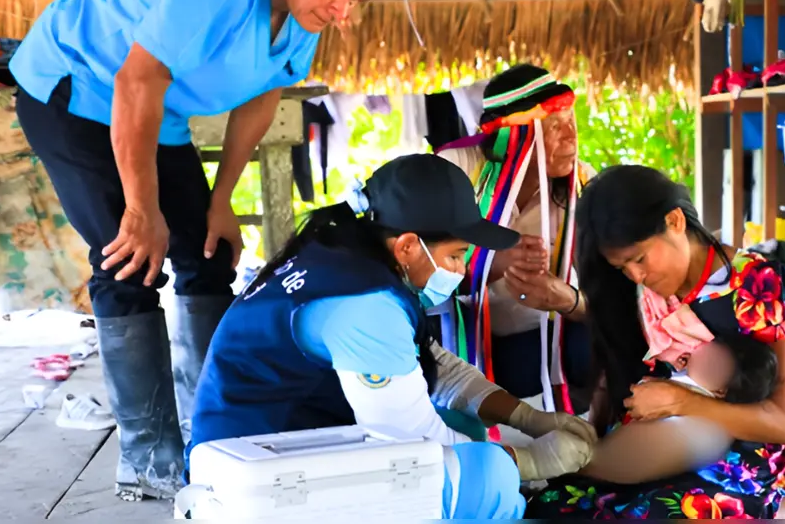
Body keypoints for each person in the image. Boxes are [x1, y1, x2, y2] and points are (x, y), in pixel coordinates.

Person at [9, 0, 392, 500]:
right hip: (74, 89)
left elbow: (264, 95)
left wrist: (221, 199)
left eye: (354, 1)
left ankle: (211, 432)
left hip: (155, 114)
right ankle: (147, 459)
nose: (343, 14)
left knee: (211, 254)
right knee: (129, 259)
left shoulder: (304, 13)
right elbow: (135, 80)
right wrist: (141, 209)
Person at [188, 154, 598, 519]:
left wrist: (529, 419)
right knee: (489, 479)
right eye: (455, 254)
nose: (460, 268)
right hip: (256, 485)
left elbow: (437, 367)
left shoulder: (346, 260)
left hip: (262, 449)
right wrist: (528, 461)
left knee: (464, 423)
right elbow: (417, 446)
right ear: (406, 247)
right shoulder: (365, 306)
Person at [527, 165, 785, 520]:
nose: (636, 275)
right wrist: (593, 441)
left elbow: (782, 423)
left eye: (639, 259)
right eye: (623, 267)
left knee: (657, 512)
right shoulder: (640, 292)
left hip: (745, 446)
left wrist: (681, 402)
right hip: (661, 441)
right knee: (557, 506)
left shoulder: (757, 282)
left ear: (675, 222)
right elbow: (614, 372)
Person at [438, 64, 595, 415]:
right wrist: (494, 263)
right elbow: (416, 269)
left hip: (547, 345)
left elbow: (610, 296)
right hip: (464, 342)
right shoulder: (457, 169)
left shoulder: (580, 183)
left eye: (572, 122)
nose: (571, 137)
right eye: (555, 126)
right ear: (515, 133)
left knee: (594, 346)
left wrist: (567, 300)